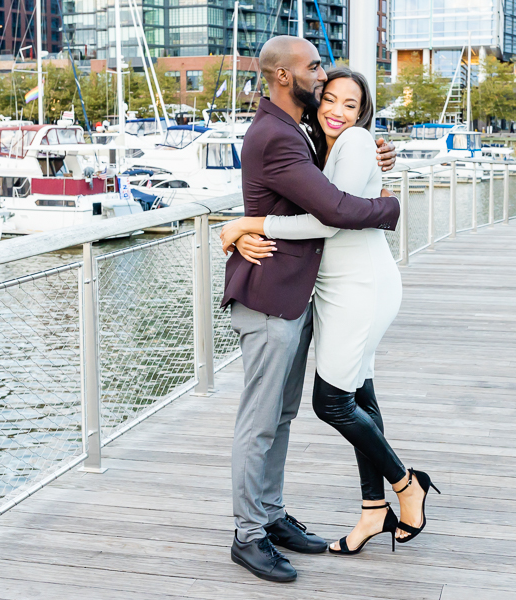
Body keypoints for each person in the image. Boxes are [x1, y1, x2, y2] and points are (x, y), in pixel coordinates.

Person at [222, 67, 441, 562]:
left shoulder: (353, 141)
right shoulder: (306, 140)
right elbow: (330, 204)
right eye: (329, 96)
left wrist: (251, 222)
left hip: (356, 288)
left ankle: (406, 487)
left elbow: (332, 214)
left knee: (331, 402)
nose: (335, 109)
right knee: (349, 395)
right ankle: (365, 510)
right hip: (325, 291)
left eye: (349, 103)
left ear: (362, 112)